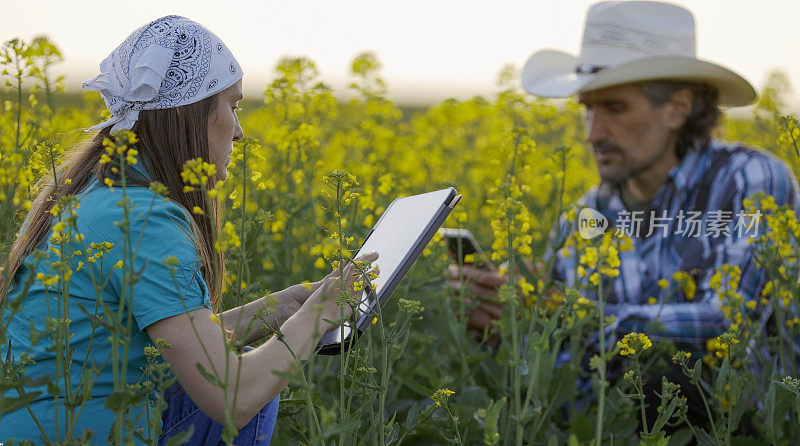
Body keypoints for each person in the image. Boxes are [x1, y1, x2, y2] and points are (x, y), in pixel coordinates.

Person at [0, 16, 375, 445]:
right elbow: (233, 397)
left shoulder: (89, 187)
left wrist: (280, 309)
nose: (239, 132)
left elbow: (154, 343)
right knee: (255, 386)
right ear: (185, 110)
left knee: (246, 366)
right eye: (232, 107)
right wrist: (318, 315)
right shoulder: (142, 217)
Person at [450, 1, 799, 363]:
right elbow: (567, 374)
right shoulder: (581, 220)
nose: (593, 133)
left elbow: (730, 324)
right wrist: (502, 328)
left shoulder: (747, 180)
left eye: (615, 109)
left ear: (678, 108)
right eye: (587, 109)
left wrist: (568, 311)